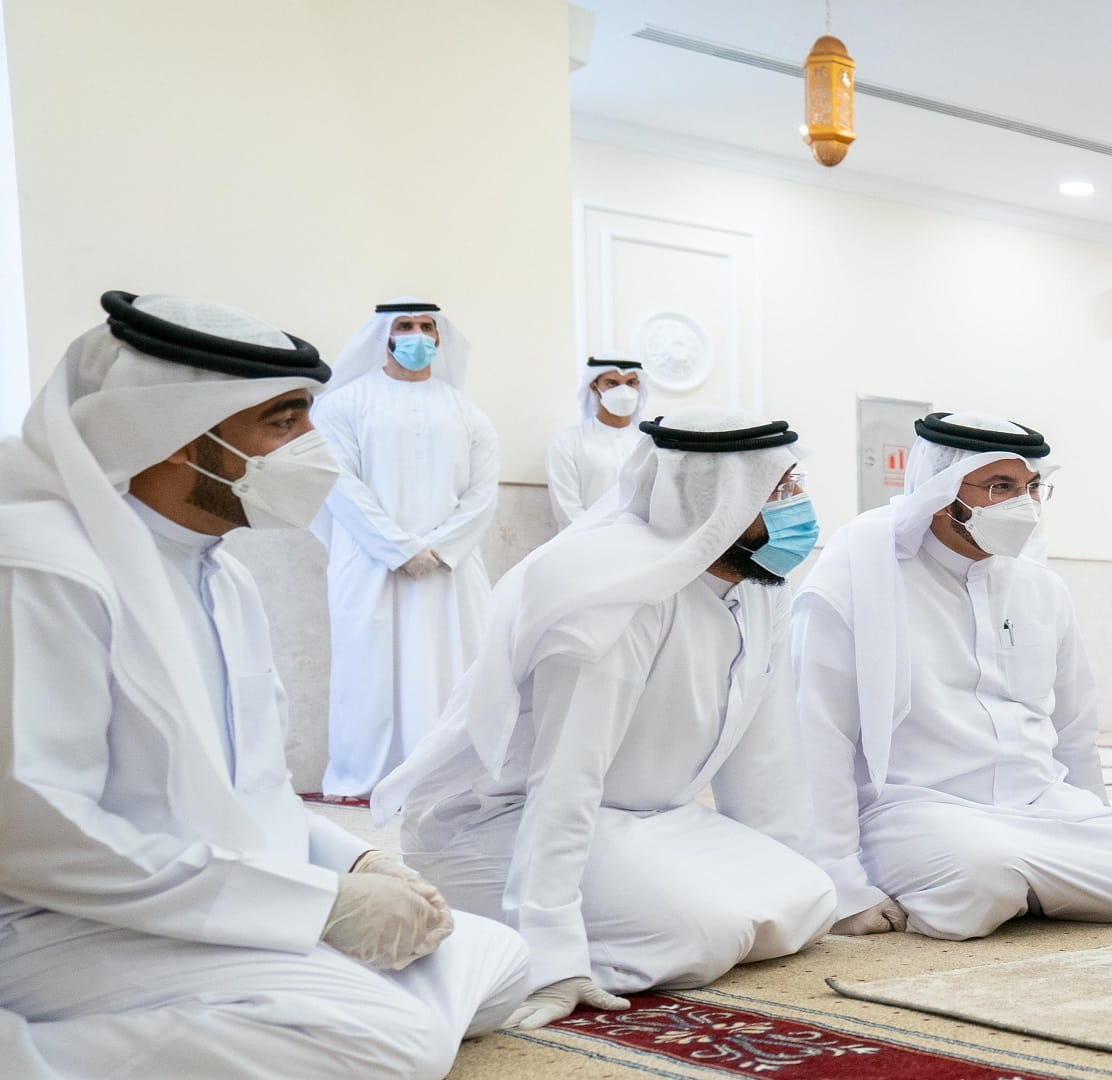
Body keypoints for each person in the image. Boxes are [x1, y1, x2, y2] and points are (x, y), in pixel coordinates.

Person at [0, 292, 528, 1078]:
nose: (314, 445)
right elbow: (40, 834)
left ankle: (306, 1006)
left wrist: (358, 869)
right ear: (176, 436)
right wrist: (315, 911)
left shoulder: (222, 574)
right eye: (284, 423)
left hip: (218, 898)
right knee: (392, 1046)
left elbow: (262, 791)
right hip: (64, 920)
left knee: (503, 960)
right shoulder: (44, 566)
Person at [373, 407, 836, 1029]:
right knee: (707, 935)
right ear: (716, 499)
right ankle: (499, 927)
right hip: (505, 826)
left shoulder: (756, 588)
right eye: (779, 490)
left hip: (648, 820)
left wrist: (781, 862)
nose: (799, 505)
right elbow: (565, 779)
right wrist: (552, 950)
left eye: (795, 484)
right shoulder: (616, 595)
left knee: (811, 896)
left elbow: (766, 757)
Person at [794, 411, 1112, 940]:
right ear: (942, 491)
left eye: (1033, 487)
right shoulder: (859, 579)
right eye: (1001, 486)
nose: (1024, 503)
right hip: (917, 807)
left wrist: (1093, 820)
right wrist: (839, 879)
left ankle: (1024, 880)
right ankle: (1020, 882)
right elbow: (820, 733)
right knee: (980, 876)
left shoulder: (1042, 588)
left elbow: (1074, 725)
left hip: (1039, 802)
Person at [312, 298, 499, 797]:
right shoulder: (343, 405)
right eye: (405, 325)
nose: (417, 335)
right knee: (369, 674)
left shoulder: (469, 413)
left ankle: (450, 778)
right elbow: (339, 483)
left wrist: (438, 550)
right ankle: (364, 780)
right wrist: (398, 548)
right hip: (370, 565)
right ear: (384, 336)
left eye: (426, 326)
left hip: (450, 570)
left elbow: (483, 495)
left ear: (440, 339)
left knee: (456, 670)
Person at [546, 353, 647, 528]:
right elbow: (567, 509)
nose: (624, 392)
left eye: (631, 383)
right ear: (594, 387)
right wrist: (599, 541)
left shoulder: (648, 443)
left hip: (639, 545)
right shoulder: (568, 441)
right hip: (584, 545)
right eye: (612, 383)